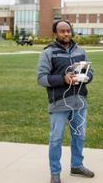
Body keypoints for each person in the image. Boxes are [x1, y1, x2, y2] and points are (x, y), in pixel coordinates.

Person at [37, 20, 95, 183]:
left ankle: (77, 165)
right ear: (55, 33)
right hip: (59, 103)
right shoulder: (48, 53)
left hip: (79, 102)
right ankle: (55, 173)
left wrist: (86, 77)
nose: (66, 34)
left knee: (79, 136)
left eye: (68, 31)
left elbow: (91, 72)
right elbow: (41, 78)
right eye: (62, 31)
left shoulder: (80, 50)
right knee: (56, 138)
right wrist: (63, 79)